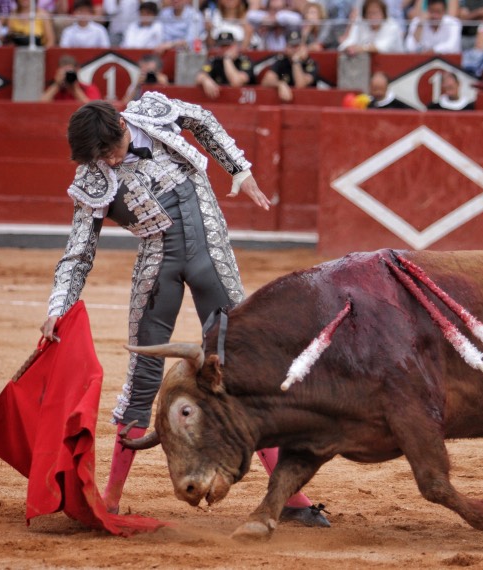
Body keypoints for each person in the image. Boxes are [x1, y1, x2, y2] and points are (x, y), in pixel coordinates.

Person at [40, 94, 329, 527]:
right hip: (158, 273)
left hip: (213, 258)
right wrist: (58, 307)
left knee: (244, 370)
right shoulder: (93, 177)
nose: (110, 163)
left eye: (110, 151)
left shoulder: (153, 111)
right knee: (142, 377)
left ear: (122, 123)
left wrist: (241, 169)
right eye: (99, 158)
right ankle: (112, 500)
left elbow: (204, 119)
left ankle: (293, 499)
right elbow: (78, 252)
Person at [261, 29, 319, 102]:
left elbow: (300, 85)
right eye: (292, 46)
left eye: (297, 46)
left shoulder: (310, 63)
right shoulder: (282, 62)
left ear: (303, 47)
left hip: (308, 103)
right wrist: (280, 84)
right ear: (286, 48)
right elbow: (266, 81)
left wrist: (296, 61)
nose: (295, 49)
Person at [196, 31, 256, 99]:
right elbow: (200, 76)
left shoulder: (244, 61)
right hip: (220, 100)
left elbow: (236, 82)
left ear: (235, 46)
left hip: (242, 101)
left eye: (228, 46)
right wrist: (205, 80)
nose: (224, 49)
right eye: (222, 46)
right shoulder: (214, 61)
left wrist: (227, 59)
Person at [338, 0, 405, 55]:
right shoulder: (361, 23)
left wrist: (360, 49)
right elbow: (347, 43)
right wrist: (348, 48)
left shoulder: (392, 26)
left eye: (376, 13)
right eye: (370, 13)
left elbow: (381, 48)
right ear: (365, 15)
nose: (373, 17)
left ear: (383, 13)